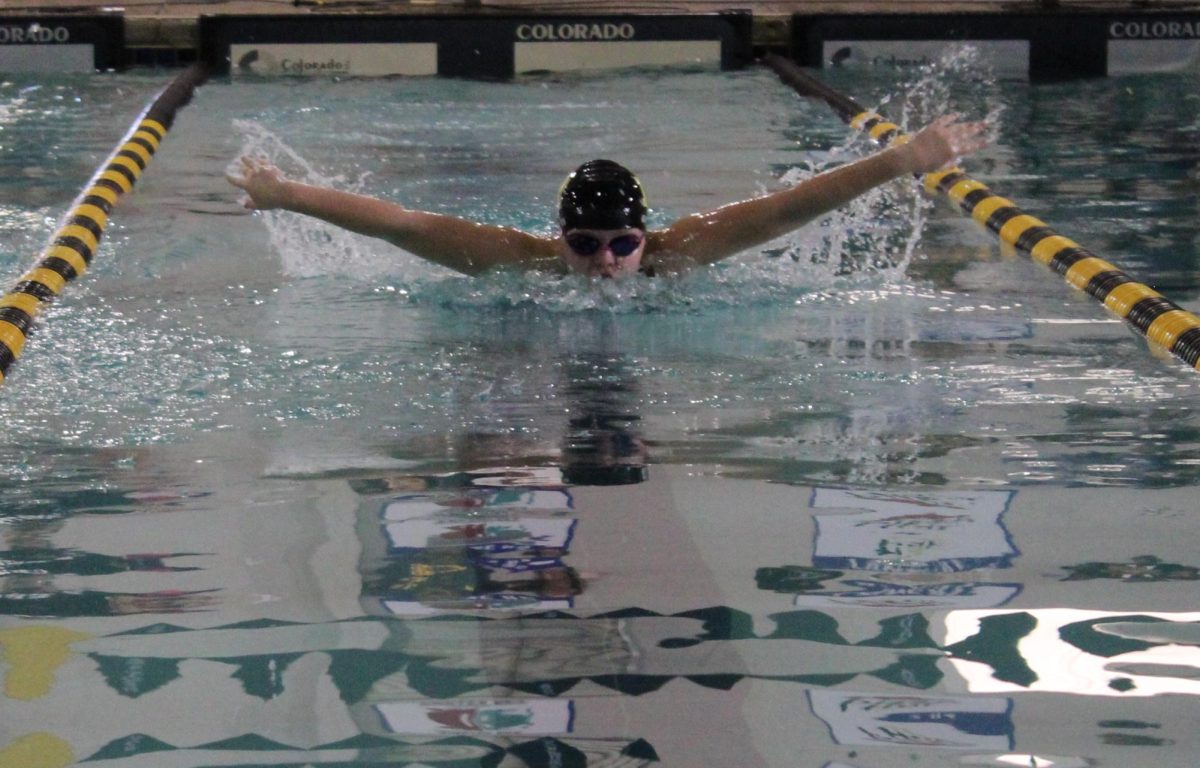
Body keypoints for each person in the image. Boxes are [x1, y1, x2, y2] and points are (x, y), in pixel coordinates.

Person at [226, 115, 986, 279]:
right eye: (584, 245)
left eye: (622, 244)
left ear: (643, 235)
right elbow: (403, 225)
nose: (605, 262)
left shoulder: (680, 251)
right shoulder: (517, 262)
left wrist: (901, 161)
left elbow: (788, 210)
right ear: (557, 237)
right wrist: (286, 193)